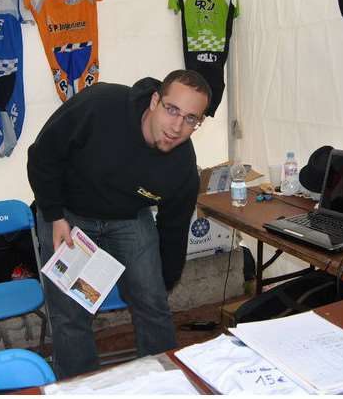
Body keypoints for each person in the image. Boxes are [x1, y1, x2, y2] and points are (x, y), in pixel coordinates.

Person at [27, 69, 211, 378]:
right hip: (67, 214)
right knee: (70, 314)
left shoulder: (181, 169)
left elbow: (174, 230)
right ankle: (79, 386)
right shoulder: (99, 106)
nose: (177, 126)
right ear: (155, 100)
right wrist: (54, 215)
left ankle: (165, 382)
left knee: (153, 305)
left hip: (129, 216)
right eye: (172, 110)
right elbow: (42, 156)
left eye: (191, 119)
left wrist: (160, 284)